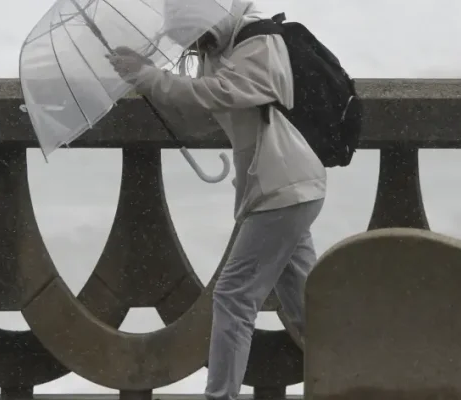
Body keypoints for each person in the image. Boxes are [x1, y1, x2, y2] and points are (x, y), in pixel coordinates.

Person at [107, 1, 326, 399]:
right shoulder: (219, 51)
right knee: (309, 310)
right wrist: (143, 77)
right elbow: (198, 113)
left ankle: (220, 395)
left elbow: (222, 92)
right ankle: (360, 377)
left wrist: (152, 77)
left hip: (285, 187)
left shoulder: (259, 39)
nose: (196, 47)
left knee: (234, 294)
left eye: (196, 37)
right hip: (282, 189)